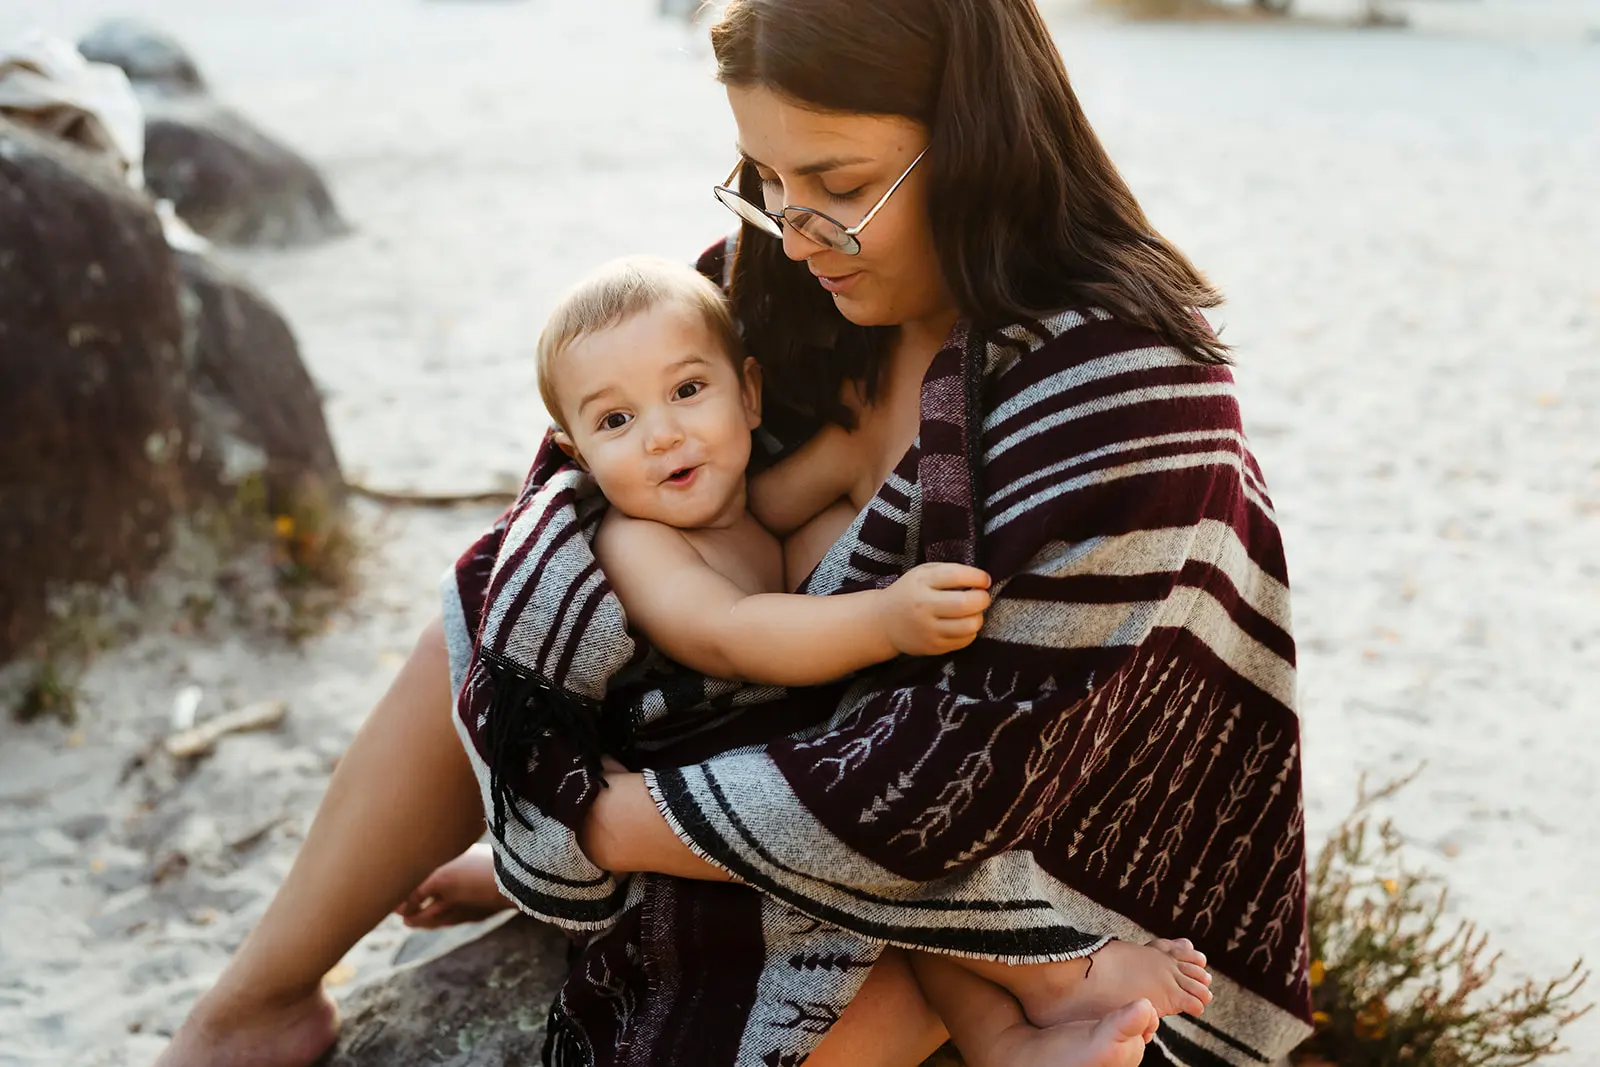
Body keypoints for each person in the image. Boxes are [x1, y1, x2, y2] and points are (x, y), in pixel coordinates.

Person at [154, 2, 1311, 1066]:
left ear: (977, 136)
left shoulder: (1128, 386)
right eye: (763, 177)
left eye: (837, 181)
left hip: (1016, 847)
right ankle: (250, 1006)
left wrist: (598, 819)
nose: (797, 232)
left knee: (763, 1022)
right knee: (508, 596)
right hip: (750, 765)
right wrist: (555, 788)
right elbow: (572, 495)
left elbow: (978, 767)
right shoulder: (785, 280)